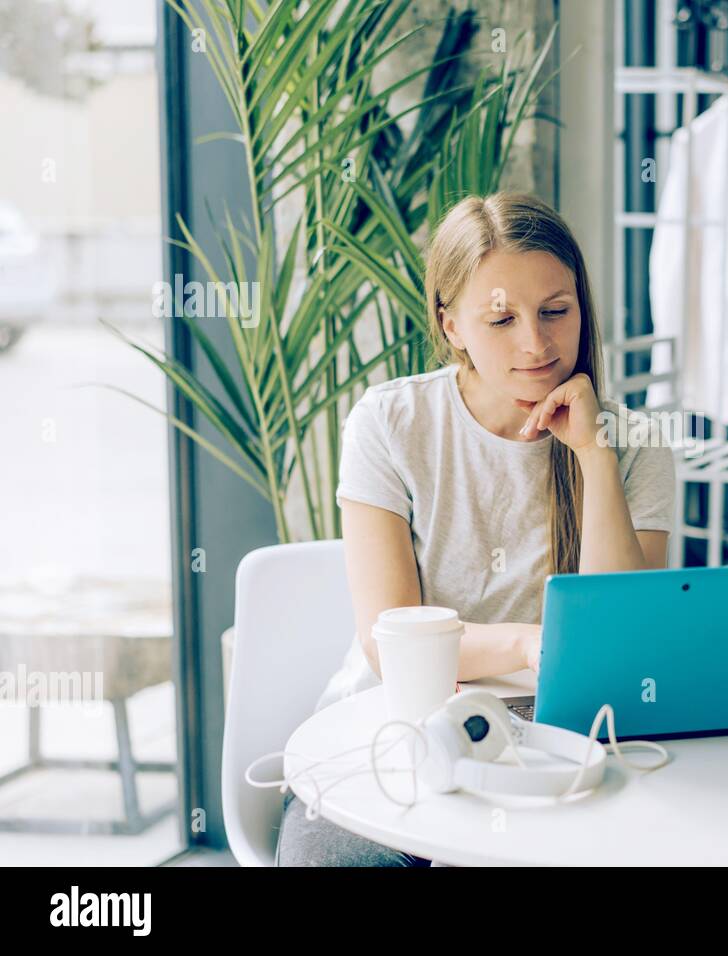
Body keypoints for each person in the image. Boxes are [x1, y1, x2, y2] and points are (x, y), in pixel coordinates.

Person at [274, 193, 677, 866]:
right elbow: (391, 639)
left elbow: (620, 641)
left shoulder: (634, 440)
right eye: (501, 319)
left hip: (561, 739)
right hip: (395, 728)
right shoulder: (389, 424)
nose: (536, 343)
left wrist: (594, 458)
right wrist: (528, 644)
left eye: (556, 311)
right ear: (452, 323)